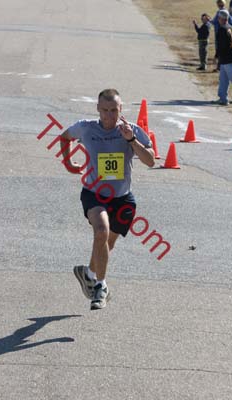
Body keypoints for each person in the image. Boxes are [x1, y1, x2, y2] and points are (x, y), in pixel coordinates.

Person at [59, 89, 155, 310]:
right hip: (94, 193)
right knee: (101, 232)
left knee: (106, 245)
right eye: (105, 110)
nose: (109, 115)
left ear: (121, 110)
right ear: (98, 109)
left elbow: (150, 161)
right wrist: (68, 162)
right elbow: (65, 137)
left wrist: (131, 140)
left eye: (114, 110)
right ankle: (100, 287)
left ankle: (88, 273)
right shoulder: (86, 127)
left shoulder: (133, 131)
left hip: (122, 199)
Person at [215, 9, 232, 105]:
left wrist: (217, 56)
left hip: (228, 57)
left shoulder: (222, 29)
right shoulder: (230, 27)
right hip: (228, 57)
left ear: (221, 18)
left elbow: (222, 45)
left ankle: (223, 98)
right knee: (223, 79)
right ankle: (223, 98)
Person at [211, 0, 232, 70]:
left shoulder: (220, 12)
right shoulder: (226, 11)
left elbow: (215, 22)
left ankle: (219, 66)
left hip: (221, 32)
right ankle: (220, 66)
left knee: (221, 47)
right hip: (227, 31)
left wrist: (209, 20)